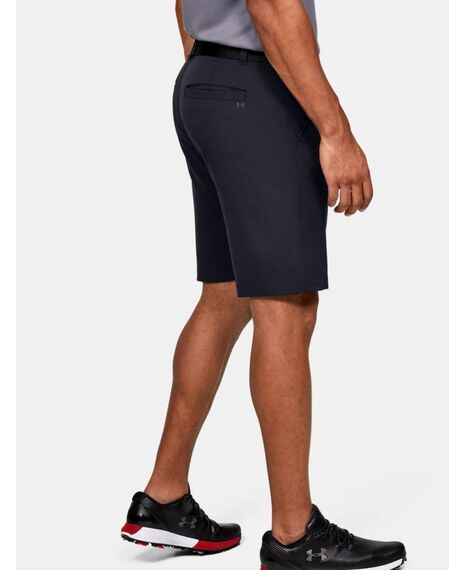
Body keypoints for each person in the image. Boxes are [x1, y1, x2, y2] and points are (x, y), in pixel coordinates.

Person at [120, 1, 407, 569]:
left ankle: (165, 498)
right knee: (287, 306)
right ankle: (295, 537)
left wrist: (211, 77)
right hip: (256, 90)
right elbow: (272, 6)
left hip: (206, 83)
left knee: (226, 293)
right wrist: (336, 132)